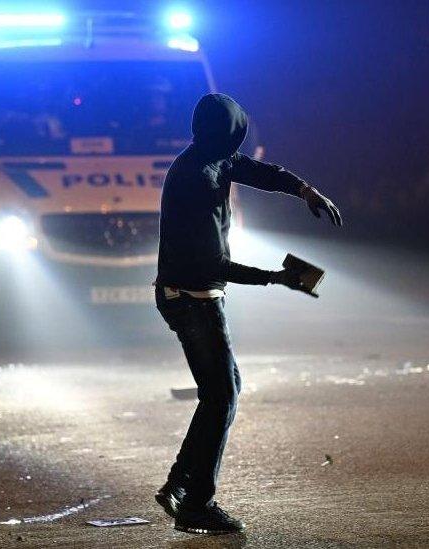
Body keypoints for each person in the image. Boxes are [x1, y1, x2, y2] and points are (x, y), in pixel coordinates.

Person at [154, 93, 342, 534]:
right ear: (227, 133)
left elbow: (258, 170)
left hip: (193, 294)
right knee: (222, 396)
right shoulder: (196, 178)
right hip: (192, 297)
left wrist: (303, 189)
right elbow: (213, 266)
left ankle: (181, 484)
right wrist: (275, 278)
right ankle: (196, 504)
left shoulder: (213, 156)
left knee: (223, 390)